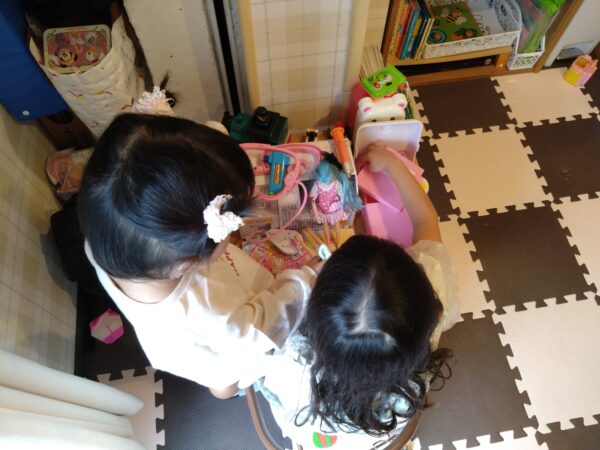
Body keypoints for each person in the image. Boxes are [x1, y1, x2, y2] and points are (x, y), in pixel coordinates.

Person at [78, 113, 315, 399]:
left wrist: (210, 149)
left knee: (212, 371)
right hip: (225, 343)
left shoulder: (106, 242)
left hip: (177, 343)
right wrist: (306, 279)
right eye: (233, 224)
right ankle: (226, 388)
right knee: (225, 380)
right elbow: (259, 329)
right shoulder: (210, 309)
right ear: (186, 264)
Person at [260, 142, 460, 448]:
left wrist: (304, 274)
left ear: (313, 315)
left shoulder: (290, 361)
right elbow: (424, 221)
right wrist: (393, 164)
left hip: (315, 438)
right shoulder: (433, 298)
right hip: (382, 436)